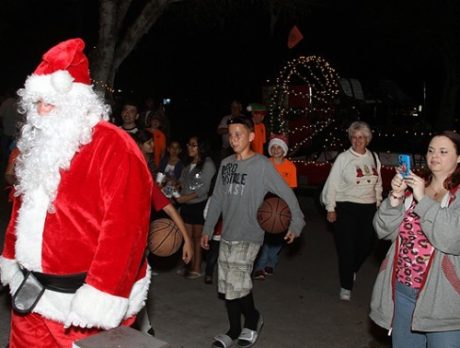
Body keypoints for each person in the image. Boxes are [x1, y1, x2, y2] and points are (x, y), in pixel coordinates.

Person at [0, 38, 153, 347]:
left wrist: (102, 295)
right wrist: (9, 256)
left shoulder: (113, 146)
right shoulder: (37, 144)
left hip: (81, 308)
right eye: (38, 102)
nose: (42, 111)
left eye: (51, 102)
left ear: (79, 101)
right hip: (30, 296)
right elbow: (22, 209)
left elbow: (126, 229)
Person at [201, 116, 305, 348]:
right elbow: (217, 198)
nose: (234, 138)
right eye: (230, 134)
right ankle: (234, 329)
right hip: (227, 233)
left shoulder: (262, 166)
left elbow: (286, 194)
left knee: (237, 283)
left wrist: (296, 223)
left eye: (239, 134)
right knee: (228, 286)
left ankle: (252, 319)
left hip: (250, 234)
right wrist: (208, 228)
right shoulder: (226, 164)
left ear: (251, 136)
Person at [370, 131, 460, 348]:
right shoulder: (415, 188)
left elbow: (450, 239)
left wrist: (423, 199)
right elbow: (383, 230)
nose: (434, 155)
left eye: (443, 151)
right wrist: (396, 196)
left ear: (458, 158)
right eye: (430, 150)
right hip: (403, 293)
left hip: (443, 300)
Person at [129, 130, 193, 335]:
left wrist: (187, 240)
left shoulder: (144, 178)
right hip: (113, 243)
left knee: (135, 287)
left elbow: (169, 207)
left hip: (137, 243)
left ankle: (145, 328)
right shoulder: (114, 174)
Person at [320, 121, 382, 301]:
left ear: (367, 139)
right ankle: (346, 286)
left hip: (369, 207)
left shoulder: (374, 157)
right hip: (345, 206)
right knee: (346, 248)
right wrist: (331, 208)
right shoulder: (343, 158)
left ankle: (351, 269)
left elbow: (378, 183)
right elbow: (332, 184)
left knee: (366, 244)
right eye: (354, 137)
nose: (357, 141)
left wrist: (378, 202)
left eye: (361, 137)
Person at [253, 135, 297, 280]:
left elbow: (291, 189)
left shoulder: (290, 166)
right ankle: (260, 266)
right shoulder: (266, 163)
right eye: (274, 147)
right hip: (267, 201)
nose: (276, 150)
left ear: (284, 150)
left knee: (278, 236)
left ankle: (272, 261)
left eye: (279, 147)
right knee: (265, 235)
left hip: (283, 203)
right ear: (270, 150)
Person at [176, 136, 216, 279]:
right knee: (187, 237)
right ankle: (189, 264)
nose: (189, 147)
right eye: (189, 144)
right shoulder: (187, 163)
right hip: (187, 205)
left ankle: (197, 268)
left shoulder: (208, 163)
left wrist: (185, 198)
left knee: (198, 238)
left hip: (200, 205)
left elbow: (204, 189)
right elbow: (181, 181)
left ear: (201, 148)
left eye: (194, 145)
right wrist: (173, 184)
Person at [0, 89, 21, 166]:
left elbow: (1, 116)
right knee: (13, 147)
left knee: (5, 146)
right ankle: (11, 162)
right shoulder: (18, 103)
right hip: (16, 129)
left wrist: (2, 125)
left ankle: (7, 161)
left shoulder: (5, 103)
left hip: (6, 128)